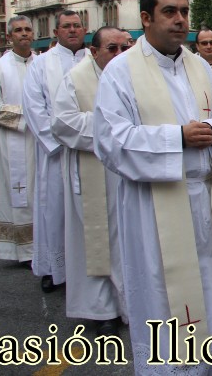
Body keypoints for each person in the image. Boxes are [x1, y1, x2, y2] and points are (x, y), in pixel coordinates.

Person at [94, 0, 212, 372]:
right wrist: (177, 137)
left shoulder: (200, 67)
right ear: (146, 18)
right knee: (164, 295)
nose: (180, 20)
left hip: (206, 201)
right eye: (169, 12)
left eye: (184, 11)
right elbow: (111, 140)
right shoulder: (121, 72)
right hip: (155, 206)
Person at [51, 27, 128, 337]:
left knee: (128, 238)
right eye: (112, 48)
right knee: (96, 240)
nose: (120, 54)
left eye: (125, 47)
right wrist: (113, 126)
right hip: (94, 169)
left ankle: (132, 303)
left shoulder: (132, 74)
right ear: (93, 51)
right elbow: (63, 122)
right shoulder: (75, 78)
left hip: (128, 170)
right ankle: (102, 309)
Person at [23, 10, 88, 293]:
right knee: (54, 210)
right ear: (56, 31)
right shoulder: (41, 64)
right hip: (56, 154)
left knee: (90, 211)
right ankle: (53, 268)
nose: (72, 30)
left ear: (84, 30)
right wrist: (61, 139)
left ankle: (90, 269)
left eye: (76, 26)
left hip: (89, 151)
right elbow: (34, 107)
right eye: (66, 26)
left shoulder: (95, 60)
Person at [0, 16, 35, 263]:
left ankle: (43, 248)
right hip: (11, 141)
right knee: (17, 192)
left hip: (40, 142)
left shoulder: (43, 64)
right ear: (9, 36)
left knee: (41, 193)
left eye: (27, 30)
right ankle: (22, 250)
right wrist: (29, 116)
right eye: (18, 30)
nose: (23, 34)